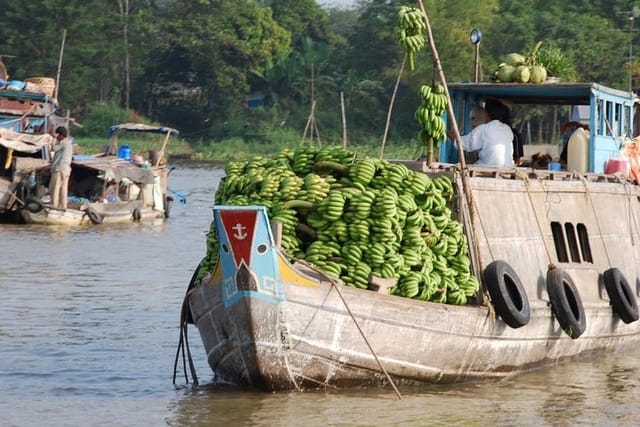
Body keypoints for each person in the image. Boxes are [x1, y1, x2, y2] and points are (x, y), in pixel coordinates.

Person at [455, 99, 515, 167]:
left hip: (488, 168)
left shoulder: (484, 129)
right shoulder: (507, 129)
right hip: (508, 168)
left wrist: (454, 136)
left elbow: (464, 144)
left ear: (486, 114)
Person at [49, 126, 73, 209]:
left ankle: (54, 206)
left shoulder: (63, 142)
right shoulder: (69, 143)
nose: (57, 137)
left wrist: (53, 139)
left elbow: (52, 148)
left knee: (54, 189)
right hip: (66, 169)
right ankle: (63, 207)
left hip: (59, 169)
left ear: (61, 135)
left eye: (58, 135)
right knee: (63, 189)